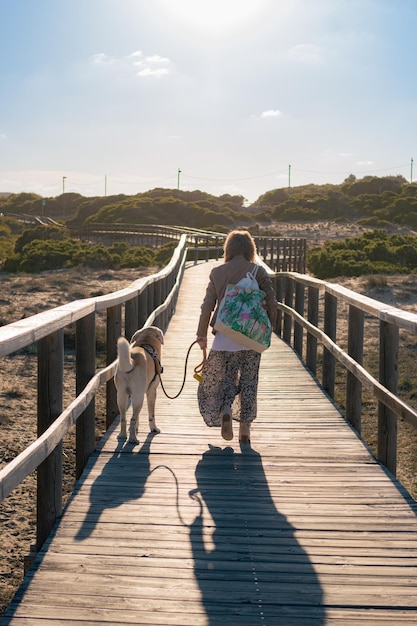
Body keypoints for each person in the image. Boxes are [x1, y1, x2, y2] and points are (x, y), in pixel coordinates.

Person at [196, 230, 277, 444]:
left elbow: (207, 307)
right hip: (251, 338)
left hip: (224, 338)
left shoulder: (217, 272)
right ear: (251, 249)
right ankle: (245, 432)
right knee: (249, 382)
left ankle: (225, 409)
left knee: (227, 379)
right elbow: (272, 303)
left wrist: (201, 334)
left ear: (228, 249)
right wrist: (269, 329)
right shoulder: (258, 272)